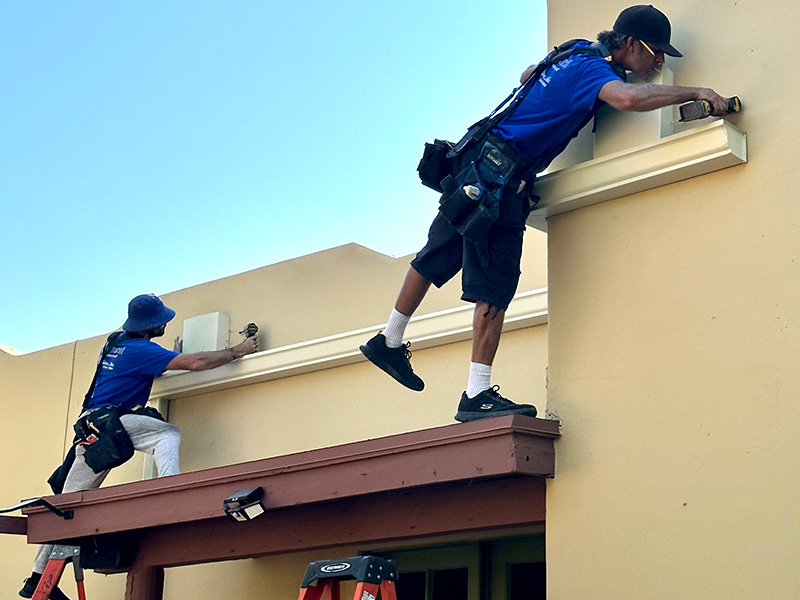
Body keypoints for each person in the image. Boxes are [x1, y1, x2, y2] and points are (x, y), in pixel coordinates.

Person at [360, 5, 730, 422]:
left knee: (436, 253)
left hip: (477, 164)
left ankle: (388, 339)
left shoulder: (574, 52)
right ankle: (476, 394)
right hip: (502, 178)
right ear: (630, 44)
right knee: (495, 283)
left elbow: (527, 76)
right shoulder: (595, 73)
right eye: (655, 51)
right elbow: (627, 99)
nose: (659, 61)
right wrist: (696, 91)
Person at [19, 294, 258, 600]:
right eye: (162, 321)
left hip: (90, 429)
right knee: (167, 434)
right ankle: (170, 492)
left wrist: (164, 358)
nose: (166, 323)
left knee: (67, 506)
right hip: (112, 425)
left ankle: (38, 580)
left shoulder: (116, 343)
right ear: (152, 325)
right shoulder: (140, 350)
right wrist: (237, 351)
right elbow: (197, 363)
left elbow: (137, 369)